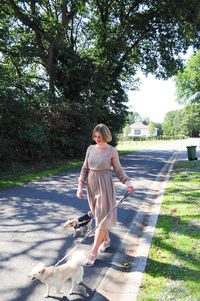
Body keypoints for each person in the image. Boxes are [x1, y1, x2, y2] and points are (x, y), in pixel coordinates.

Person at [77, 124, 134, 266]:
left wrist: (127, 182)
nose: (97, 139)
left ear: (105, 136)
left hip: (105, 186)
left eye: (100, 137)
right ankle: (107, 241)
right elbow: (85, 168)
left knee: (101, 220)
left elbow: (119, 170)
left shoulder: (111, 151)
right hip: (92, 186)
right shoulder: (90, 149)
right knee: (98, 218)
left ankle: (92, 253)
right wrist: (80, 186)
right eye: (95, 136)